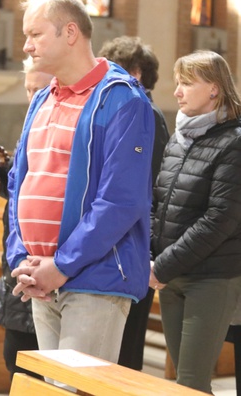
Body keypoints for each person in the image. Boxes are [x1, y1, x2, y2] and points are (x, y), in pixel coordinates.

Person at [8, 0, 155, 365]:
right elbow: (19, 182)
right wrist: (22, 258)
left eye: (35, 34)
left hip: (95, 277)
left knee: (78, 389)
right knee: (54, 390)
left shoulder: (122, 99)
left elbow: (121, 201)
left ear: (70, 32)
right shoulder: (42, 98)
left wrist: (60, 266)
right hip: (40, 274)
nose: (26, 45)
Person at [150, 51, 241, 393]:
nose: (177, 92)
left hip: (211, 277)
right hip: (172, 275)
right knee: (183, 383)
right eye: (178, 83)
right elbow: (159, 202)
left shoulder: (234, 141)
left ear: (214, 89)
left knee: (191, 382)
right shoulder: (179, 138)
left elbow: (221, 219)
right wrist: (151, 255)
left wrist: (162, 265)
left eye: (187, 84)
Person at [0, 57, 53, 380]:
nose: (32, 97)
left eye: (40, 89)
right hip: (18, 266)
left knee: (36, 369)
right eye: (28, 89)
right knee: (16, 361)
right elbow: (23, 189)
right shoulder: (32, 125)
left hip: (43, 269)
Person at [98, 35, 171, 370]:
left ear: (137, 73)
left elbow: (144, 186)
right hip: (116, 242)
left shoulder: (146, 114)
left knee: (125, 355)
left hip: (134, 244)